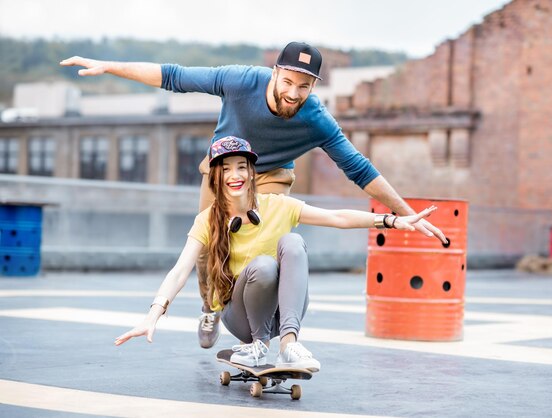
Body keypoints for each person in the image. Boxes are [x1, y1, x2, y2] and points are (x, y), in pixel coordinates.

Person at [61, 42, 447, 349]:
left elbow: (360, 169)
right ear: (275, 73)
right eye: (288, 82)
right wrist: (110, 66)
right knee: (210, 246)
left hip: (273, 177)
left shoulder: (315, 118)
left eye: (304, 86)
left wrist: (407, 215)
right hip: (223, 168)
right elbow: (173, 76)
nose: (294, 93)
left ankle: (270, 325)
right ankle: (211, 307)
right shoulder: (240, 80)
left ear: (314, 87)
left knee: (267, 244)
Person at [114, 136, 440, 371]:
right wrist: (153, 314)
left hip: (283, 314)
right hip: (240, 316)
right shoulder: (207, 220)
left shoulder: (276, 206)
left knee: (293, 243)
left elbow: (336, 217)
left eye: (242, 167)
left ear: (252, 173)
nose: (235, 175)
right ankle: (256, 345)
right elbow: (180, 269)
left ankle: (288, 345)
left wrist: (393, 220)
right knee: (264, 266)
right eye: (226, 169)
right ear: (217, 176)